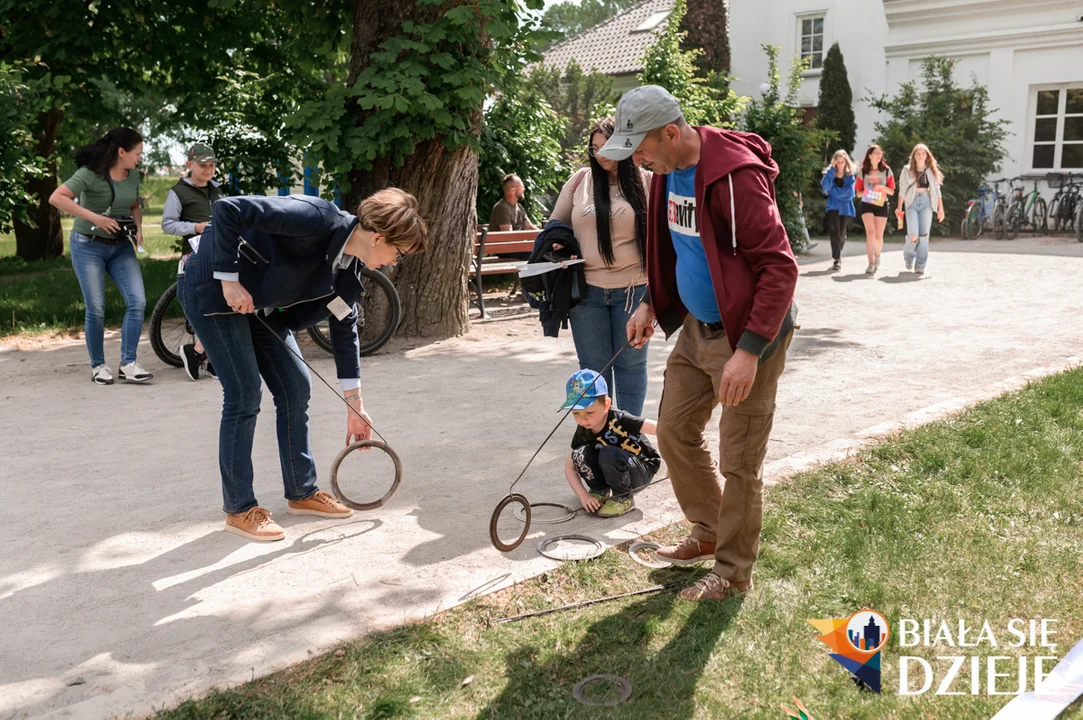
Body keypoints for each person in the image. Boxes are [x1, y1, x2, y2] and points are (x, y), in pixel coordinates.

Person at [600, 85, 798, 603]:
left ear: (671, 132)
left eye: (640, 147)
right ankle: (709, 530)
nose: (636, 160)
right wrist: (650, 302)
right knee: (673, 430)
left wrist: (750, 351)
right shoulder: (665, 173)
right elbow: (672, 248)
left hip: (748, 336)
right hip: (696, 328)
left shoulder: (738, 176)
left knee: (739, 461)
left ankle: (733, 572)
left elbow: (780, 267)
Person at [177, 189, 428, 542]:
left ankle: (301, 491)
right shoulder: (315, 216)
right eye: (397, 253)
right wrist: (229, 280)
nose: (393, 262)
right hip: (212, 287)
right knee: (244, 392)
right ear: (379, 237)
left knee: (296, 387)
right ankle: (239, 509)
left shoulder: (350, 273)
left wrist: (355, 407)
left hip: (259, 306)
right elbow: (227, 209)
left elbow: (345, 330)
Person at [549, 117, 652, 415]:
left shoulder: (647, 182)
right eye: (594, 148)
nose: (599, 154)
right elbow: (556, 224)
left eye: (606, 146)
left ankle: (629, 432)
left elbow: (663, 239)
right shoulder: (580, 181)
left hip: (634, 291)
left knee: (631, 366)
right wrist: (559, 245)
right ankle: (599, 434)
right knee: (593, 370)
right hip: (587, 292)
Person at [48, 127, 152, 385]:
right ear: (121, 152)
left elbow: (134, 206)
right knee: (96, 309)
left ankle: (128, 363)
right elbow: (56, 198)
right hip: (88, 246)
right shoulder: (89, 174)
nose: (140, 157)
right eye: (137, 153)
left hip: (121, 247)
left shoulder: (133, 175)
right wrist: (95, 217)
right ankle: (98, 366)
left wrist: (138, 228)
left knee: (137, 302)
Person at [162, 142, 225, 380]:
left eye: (212, 166)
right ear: (189, 165)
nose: (208, 170)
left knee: (223, 303)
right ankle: (200, 352)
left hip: (221, 251)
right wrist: (195, 227)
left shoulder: (217, 190)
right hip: (196, 254)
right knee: (211, 303)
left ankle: (203, 354)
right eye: (203, 166)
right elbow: (168, 224)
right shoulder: (178, 193)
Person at [561, 369, 660, 518]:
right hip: (613, 466)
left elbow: (663, 430)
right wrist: (583, 496)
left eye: (589, 412)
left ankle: (624, 497)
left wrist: (675, 461)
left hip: (641, 469)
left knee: (608, 453)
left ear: (606, 404)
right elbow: (570, 468)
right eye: (576, 413)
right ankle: (600, 489)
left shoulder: (620, 418)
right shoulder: (583, 429)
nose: (583, 420)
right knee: (579, 454)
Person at [895, 143, 945, 276]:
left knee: (924, 235)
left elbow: (937, 190)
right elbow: (902, 189)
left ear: (927, 156)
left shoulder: (931, 170)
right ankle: (909, 256)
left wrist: (941, 209)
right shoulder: (907, 170)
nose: (921, 156)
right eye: (918, 153)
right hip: (911, 202)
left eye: (923, 153)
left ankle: (920, 265)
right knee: (913, 235)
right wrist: (899, 207)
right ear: (914, 156)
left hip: (926, 202)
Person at [855, 145, 895, 275]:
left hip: (881, 204)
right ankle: (870, 263)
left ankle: (878, 255)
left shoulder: (887, 171)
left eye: (880, 153)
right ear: (870, 155)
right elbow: (858, 193)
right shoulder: (863, 172)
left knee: (878, 236)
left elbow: (892, 191)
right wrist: (868, 190)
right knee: (870, 234)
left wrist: (881, 187)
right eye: (876, 153)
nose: (879, 155)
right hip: (867, 204)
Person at [821, 150, 857, 272]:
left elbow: (850, 194)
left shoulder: (850, 176)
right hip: (832, 207)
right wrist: (831, 170)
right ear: (835, 162)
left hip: (845, 208)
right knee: (834, 232)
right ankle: (837, 259)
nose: (840, 164)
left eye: (842, 162)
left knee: (841, 234)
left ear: (846, 162)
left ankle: (838, 253)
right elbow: (825, 188)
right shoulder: (829, 174)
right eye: (838, 162)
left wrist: (833, 191)